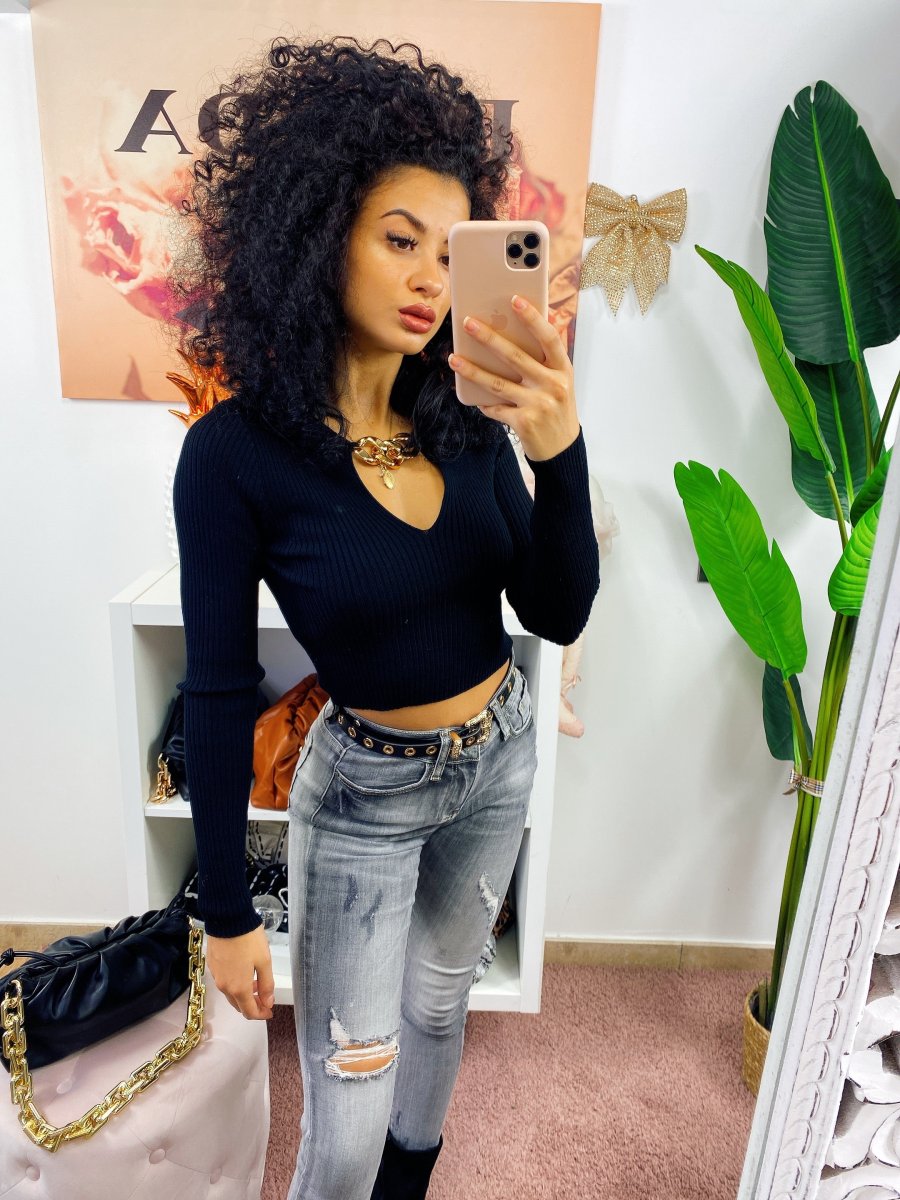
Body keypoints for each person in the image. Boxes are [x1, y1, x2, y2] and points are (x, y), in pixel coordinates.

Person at [169, 34, 599, 1200]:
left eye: (447, 252)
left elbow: (554, 608)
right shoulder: (235, 457)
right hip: (364, 794)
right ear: (319, 238)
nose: (427, 279)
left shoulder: (465, 417)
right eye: (398, 239)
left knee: (441, 1006)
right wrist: (225, 913)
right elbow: (218, 689)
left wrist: (559, 454)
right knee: (349, 1099)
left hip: (500, 757)